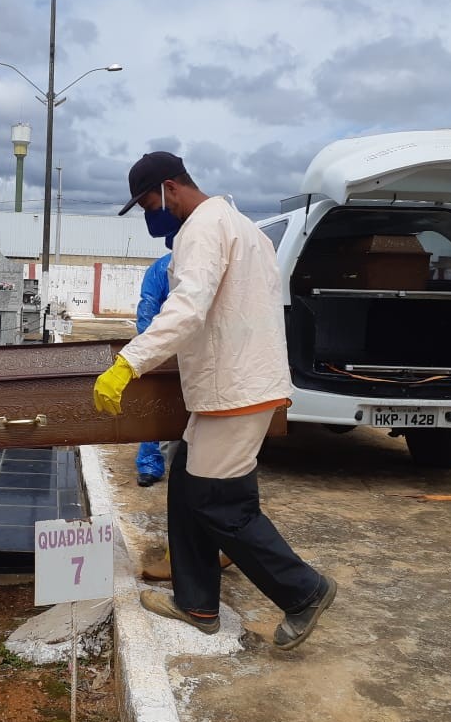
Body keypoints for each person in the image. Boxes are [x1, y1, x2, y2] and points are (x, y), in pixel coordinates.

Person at [93, 152, 336, 650]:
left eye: (146, 204)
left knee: (219, 503)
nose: (149, 215)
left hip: (235, 389)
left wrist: (128, 363)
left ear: (169, 189)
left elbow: (186, 309)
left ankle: (303, 591)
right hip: (234, 385)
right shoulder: (243, 227)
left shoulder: (201, 229)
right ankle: (196, 601)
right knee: (186, 484)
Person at [134, 253, 171, 487]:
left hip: (204, 351)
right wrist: (150, 349)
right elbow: (148, 309)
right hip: (167, 347)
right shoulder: (162, 268)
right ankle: (150, 463)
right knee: (157, 405)